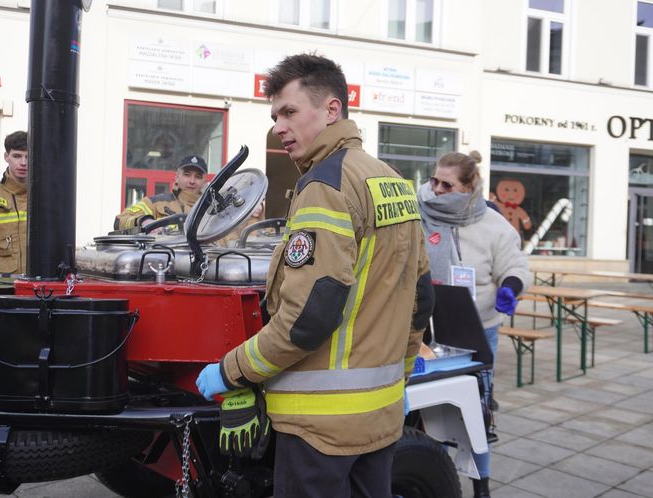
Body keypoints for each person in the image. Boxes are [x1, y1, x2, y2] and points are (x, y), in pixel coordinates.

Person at [196, 53, 434, 497]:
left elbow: (308, 318)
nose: (278, 127)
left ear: (331, 110)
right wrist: (397, 377)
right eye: (274, 116)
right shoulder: (392, 181)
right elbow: (421, 297)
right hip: (380, 415)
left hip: (318, 427)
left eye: (289, 112)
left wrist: (231, 371)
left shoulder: (324, 187)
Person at [417, 150, 530, 498]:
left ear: (469, 188)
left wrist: (509, 289)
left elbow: (515, 267)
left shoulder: (492, 224)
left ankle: (481, 485)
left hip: (475, 329)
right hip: (423, 327)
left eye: (447, 184)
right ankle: (434, 473)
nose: (435, 189)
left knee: (474, 413)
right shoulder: (419, 212)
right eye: (434, 180)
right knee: (425, 407)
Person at [114, 155, 207, 231]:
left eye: (198, 176)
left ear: (204, 181)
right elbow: (119, 221)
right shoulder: (154, 203)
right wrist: (143, 221)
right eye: (187, 175)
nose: (192, 181)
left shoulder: (213, 211)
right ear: (177, 177)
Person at [0, 131, 28, 274]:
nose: (23, 163)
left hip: (38, 286)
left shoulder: (46, 197)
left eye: (28, 157)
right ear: (6, 157)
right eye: (17, 156)